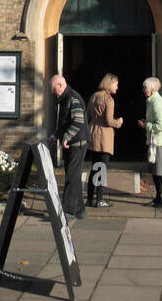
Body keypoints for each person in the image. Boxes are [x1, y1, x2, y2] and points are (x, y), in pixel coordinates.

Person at [49, 74, 88, 219]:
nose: (53, 93)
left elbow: (78, 121)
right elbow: (64, 122)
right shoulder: (65, 98)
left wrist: (66, 137)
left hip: (77, 144)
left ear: (60, 85)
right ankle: (79, 210)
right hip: (72, 143)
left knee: (71, 176)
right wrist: (55, 135)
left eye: (54, 89)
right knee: (74, 176)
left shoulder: (72, 98)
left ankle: (69, 211)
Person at [86, 73, 123, 208]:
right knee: (102, 168)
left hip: (93, 132)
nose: (117, 87)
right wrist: (119, 122)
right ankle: (100, 199)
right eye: (116, 84)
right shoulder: (109, 99)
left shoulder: (94, 96)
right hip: (104, 136)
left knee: (94, 167)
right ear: (110, 84)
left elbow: (89, 115)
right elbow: (109, 121)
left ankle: (90, 198)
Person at [137, 76, 162, 208]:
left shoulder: (157, 103)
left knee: (161, 171)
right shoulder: (151, 101)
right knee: (154, 171)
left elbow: (161, 125)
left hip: (159, 142)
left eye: (144, 87)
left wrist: (146, 125)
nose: (143, 90)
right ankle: (159, 197)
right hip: (153, 141)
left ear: (151, 89)